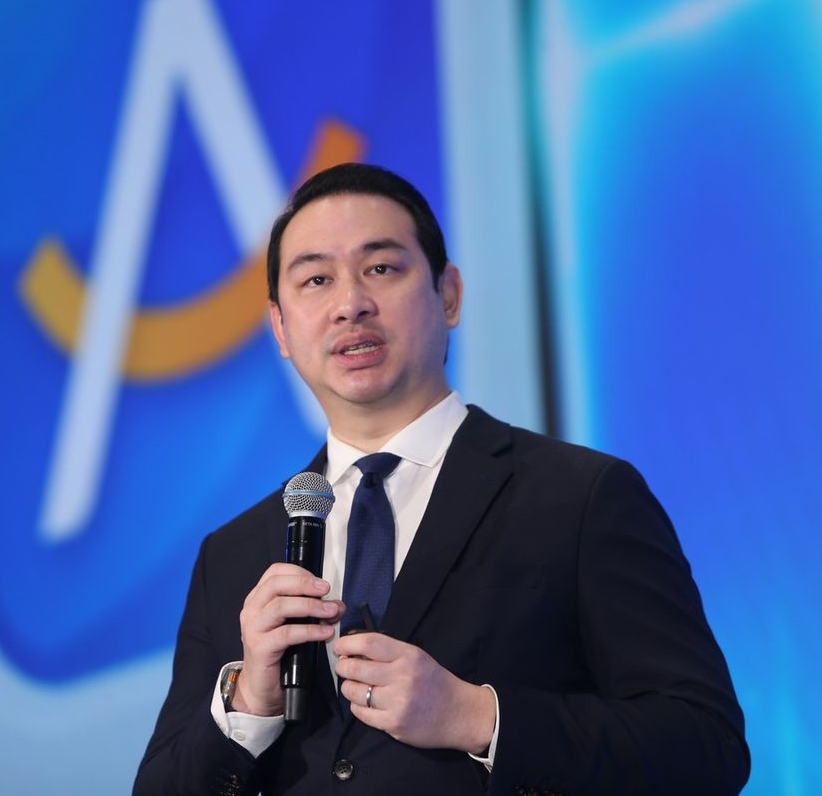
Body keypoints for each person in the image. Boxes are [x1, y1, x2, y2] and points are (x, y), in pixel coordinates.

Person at [133, 163, 749, 795]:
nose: (350, 304)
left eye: (381, 268)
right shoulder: (233, 556)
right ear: (281, 328)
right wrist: (248, 703)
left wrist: (474, 717)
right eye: (316, 279)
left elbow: (705, 747)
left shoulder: (580, 496)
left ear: (448, 295)